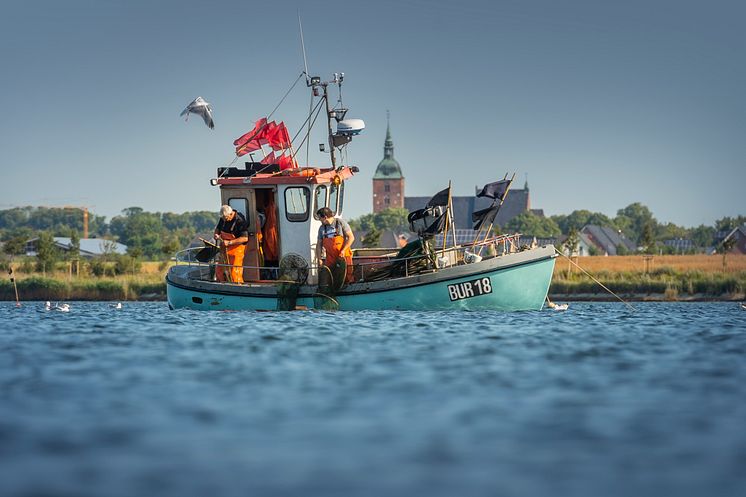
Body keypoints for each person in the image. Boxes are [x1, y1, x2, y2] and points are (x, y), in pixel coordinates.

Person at [315, 207, 355, 284]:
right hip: (330, 258)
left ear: (325, 217)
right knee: (330, 278)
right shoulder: (322, 228)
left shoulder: (340, 223)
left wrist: (343, 251)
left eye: (320, 218)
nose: (320, 220)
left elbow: (351, 237)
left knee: (347, 277)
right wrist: (319, 258)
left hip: (343, 256)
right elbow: (319, 244)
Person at [214, 205, 249, 283]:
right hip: (224, 249)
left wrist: (229, 242)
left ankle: (237, 286)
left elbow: (245, 238)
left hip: (237, 249)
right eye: (223, 218)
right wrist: (216, 235)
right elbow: (218, 229)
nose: (224, 220)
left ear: (230, 214)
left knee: (234, 272)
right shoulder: (223, 218)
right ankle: (221, 285)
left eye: (226, 218)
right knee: (219, 270)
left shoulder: (240, 221)